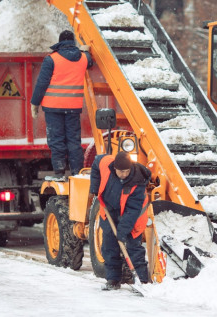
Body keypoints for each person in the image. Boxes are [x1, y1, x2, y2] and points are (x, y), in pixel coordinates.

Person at [30, 30, 93, 180]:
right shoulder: (83, 59)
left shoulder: (51, 59)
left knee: (57, 140)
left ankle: (59, 173)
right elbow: (90, 60)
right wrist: (86, 51)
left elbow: (41, 84)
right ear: (73, 42)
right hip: (73, 108)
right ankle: (77, 172)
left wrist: (35, 103)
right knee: (73, 141)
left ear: (59, 43)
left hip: (53, 108)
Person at [88, 151, 151, 290]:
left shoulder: (137, 181)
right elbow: (96, 162)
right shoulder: (106, 164)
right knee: (109, 246)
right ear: (114, 168)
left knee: (133, 246)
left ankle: (142, 281)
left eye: (126, 171)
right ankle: (113, 280)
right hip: (109, 210)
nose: (123, 174)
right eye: (120, 171)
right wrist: (94, 185)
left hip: (132, 215)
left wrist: (122, 231)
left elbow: (133, 210)